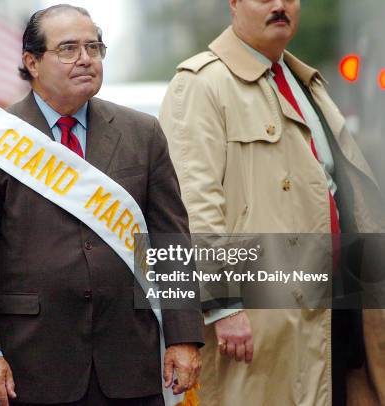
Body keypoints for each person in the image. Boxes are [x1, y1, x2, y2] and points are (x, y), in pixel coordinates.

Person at [0, 4, 203, 405]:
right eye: (68, 49)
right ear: (31, 62)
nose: (85, 59)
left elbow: (172, 243)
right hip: (32, 365)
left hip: (131, 362)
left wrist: (185, 337)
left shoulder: (142, 133)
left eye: (93, 47)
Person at [159, 1, 385, 405]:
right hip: (262, 316)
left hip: (336, 303)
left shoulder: (304, 80)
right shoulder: (200, 83)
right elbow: (194, 204)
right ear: (233, 4)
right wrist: (222, 306)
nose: (280, 6)